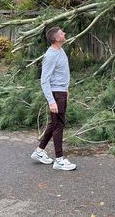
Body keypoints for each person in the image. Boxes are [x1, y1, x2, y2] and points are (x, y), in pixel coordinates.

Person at [30, 26, 76, 171]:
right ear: (57, 38)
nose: (65, 33)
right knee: (58, 125)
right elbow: (44, 80)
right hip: (55, 94)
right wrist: (51, 101)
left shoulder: (60, 50)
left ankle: (39, 151)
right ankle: (59, 160)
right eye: (62, 33)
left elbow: (62, 73)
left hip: (61, 92)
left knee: (54, 123)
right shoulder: (50, 55)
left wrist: (66, 88)